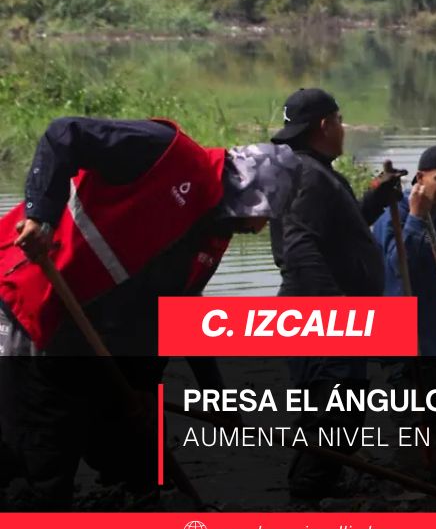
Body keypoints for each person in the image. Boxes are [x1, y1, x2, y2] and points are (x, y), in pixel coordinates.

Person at [0, 117, 297, 509]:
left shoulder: (212, 234)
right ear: (249, 192)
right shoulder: (168, 153)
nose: (261, 228)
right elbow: (63, 134)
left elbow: (181, 316)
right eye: (266, 214)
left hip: (91, 340)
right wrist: (42, 217)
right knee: (43, 458)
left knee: (140, 465)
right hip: (33, 306)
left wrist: (215, 396)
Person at [267, 88, 401, 499]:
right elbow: (299, 245)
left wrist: (376, 197)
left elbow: (338, 234)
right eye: (340, 121)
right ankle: (305, 506)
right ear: (325, 125)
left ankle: (321, 496)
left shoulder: (313, 171)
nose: (343, 129)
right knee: (328, 419)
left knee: (341, 416)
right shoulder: (308, 174)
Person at [372, 146, 436, 468]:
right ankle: (412, 492)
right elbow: (399, 268)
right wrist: (413, 219)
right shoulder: (393, 218)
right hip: (404, 346)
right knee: (416, 429)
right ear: (420, 177)